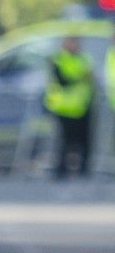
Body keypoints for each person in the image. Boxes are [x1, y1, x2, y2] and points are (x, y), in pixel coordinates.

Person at [44, 36, 94, 180]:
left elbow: (91, 79)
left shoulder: (84, 59)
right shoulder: (58, 59)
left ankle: (83, 170)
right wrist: (80, 78)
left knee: (83, 141)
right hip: (63, 108)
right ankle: (61, 170)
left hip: (82, 107)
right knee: (63, 142)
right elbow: (62, 81)